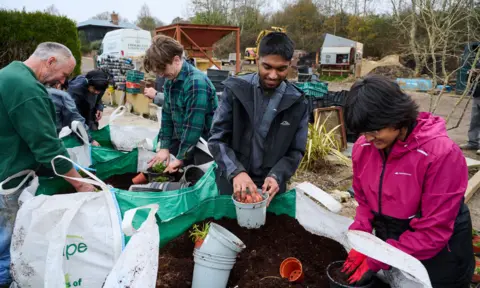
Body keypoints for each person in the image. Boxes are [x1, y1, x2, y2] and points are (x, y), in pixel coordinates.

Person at [342, 75, 474, 287]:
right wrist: (361, 237)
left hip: (439, 251)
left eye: (375, 130)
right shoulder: (364, 147)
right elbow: (364, 201)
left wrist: (378, 258)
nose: (367, 138)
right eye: (363, 132)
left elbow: (434, 231)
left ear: (397, 117)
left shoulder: (440, 154)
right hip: (393, 240)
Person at [0, 42, 95, 286]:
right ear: (50, 61)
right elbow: (47, 147)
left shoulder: (9, 73)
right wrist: (80, 183)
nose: (63, 82)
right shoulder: (27, 89)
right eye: (64, 74)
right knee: (8, 251)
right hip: (9, 180)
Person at [208, 32, 309, 206]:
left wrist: (277, 175)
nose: (272, 75)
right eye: (267, 67)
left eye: (281, 69)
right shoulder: (235, 90)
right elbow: (217, 139)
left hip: (270, 189)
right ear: (257, 61)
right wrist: (235, 171)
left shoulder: (298, 102)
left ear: (290, 65)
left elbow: (296, 151)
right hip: (232, 183)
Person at [145, 35, 217, 173]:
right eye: (157, 72)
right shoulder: (170, 81)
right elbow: (167, 115)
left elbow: (193, 127)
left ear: (176, 60)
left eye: (162, 69)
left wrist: (180, 158)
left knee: (199, 179)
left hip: (206, 146)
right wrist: (164, 147)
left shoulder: (196, 82)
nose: (160, 75)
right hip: (187, 143)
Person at [460, 68, 480, 153]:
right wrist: (472, 73)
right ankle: (473, 142)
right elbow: (470, 79)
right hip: (477, 94)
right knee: (474, 121)